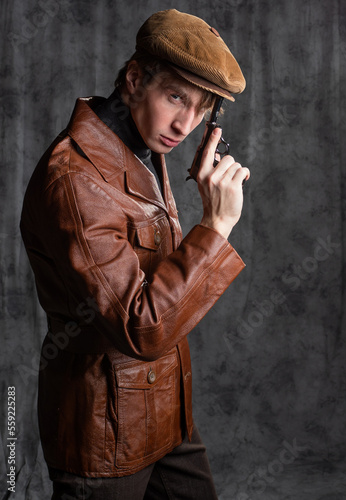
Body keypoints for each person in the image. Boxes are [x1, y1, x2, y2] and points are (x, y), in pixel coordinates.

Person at [20, 9, 249, 500]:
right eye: (175, 97)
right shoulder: (76, 179)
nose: (185, 123)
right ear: (133, 80)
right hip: (105, 428)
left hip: (167, 413)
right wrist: (216, 226)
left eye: (200, 107)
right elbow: (139, 327)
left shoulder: (141, 144)